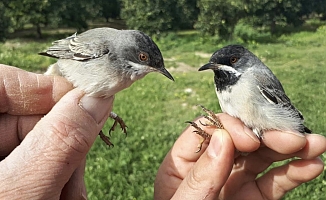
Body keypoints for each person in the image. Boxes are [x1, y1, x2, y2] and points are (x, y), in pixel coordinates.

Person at [0, 64, 325, 200]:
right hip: (248, 136)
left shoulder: (256, 77)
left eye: (226, 62)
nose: (217, 68)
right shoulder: (224, 80)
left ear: (239, 62)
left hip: (275, 124)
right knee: (236, 138)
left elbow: (281, 108)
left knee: (253, 139)